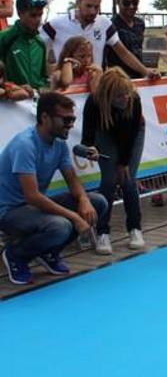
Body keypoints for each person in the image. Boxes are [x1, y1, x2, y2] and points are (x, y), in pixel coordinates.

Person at [0, 92, 109, 284]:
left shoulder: (59, 143)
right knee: (62, 225)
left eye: (73, 119)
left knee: (97, 203)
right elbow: (33, 196)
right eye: (65, 119)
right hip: (9, 210)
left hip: (32, 207)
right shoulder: (25, 145)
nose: (71, 124)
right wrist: (75, 216)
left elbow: (72, 179)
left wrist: (83, 201)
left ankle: (49, 252)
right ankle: (15, 255)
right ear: (45, 118)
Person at [79, 68, 146, 253]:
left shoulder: (134, 98)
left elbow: (130, 135)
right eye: (119, 96)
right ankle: (102, 232)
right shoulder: (94, 102)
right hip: (105, 133)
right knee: (108, 181)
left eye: (126, 94)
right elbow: (87, 135)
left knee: (128, 180)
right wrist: (90, 149)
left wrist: (123, 163)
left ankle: (135, 228)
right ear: (108, 96)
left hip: (133, 135)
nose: (125, 99)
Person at [40, 0, 156, 79]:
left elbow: (123, 53)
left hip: (95, 89)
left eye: (97, 7)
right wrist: (48, 70)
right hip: (66, 89)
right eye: (88, 6)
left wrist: (145, 71)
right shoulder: (56, 24)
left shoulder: (105, 24)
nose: (93, 11)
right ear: (78, 3)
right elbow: (37, 45)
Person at [0, 0, 50, 91]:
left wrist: (44, 87)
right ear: (19, 13)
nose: (38, 19)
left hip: (35, 102)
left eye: (40, 15)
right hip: (9, 103)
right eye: (33, 15)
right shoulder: (4, 38)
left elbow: (44, 76)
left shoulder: (40, 42)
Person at [108, 0, 146, 78]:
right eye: (126, 3)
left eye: (135, 2)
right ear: (118, 2)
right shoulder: (111, 25)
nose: (131, 6)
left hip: (139, 75)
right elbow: (122, 53)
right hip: (120, 78)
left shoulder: (140, 23)